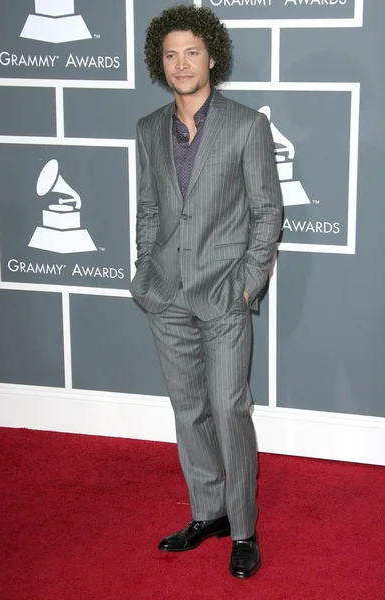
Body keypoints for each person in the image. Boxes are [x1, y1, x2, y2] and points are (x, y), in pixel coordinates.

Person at [129, 4, 282, 579]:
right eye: (170, 54)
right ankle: (208, 511)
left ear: (211, 56)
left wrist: (246, 287)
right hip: (165, 294)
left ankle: (242, 528)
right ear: (159, 64)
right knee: (188, 409)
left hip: (224, 296)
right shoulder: (148, 129)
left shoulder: (246, 125)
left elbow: (267, 212)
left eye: (192, 51)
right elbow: (148, 209)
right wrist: (145, 271)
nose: (181, 63)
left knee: (228, 408)